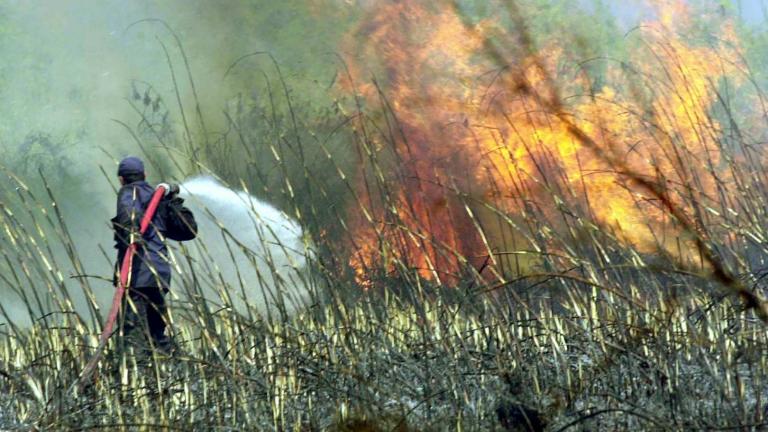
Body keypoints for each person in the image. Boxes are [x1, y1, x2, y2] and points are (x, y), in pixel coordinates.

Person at [111, 156, 175, 353]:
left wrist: (131, 232)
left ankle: (137, 368)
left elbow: (128, 215)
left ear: (121, 179)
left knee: (134, 334)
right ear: (145, 175)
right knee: (157, 333)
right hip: (160, 275)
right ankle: (168, 366)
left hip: (137, 275)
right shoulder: (158, 198)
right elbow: (185, 231)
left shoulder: (129, 192)